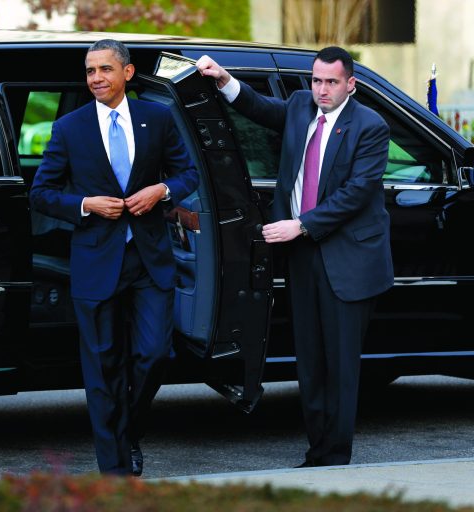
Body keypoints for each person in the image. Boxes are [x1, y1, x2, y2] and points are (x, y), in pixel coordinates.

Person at [196, 47, 393, 467]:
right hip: (304, 256)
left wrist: (299, 225)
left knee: (340, 364)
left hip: (348, 257)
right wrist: (222, 78)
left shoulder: (370, 126)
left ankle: (336, 454)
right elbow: (261, 108)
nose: (321, 89)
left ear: (350, 84)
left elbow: (356, 194)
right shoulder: (302, 105)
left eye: (331, 82)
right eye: (317, 81)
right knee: (310, 359)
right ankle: (317, 449)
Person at [30, 39, 198, 476]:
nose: (96, 78)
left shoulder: (157, 118)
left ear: (127, 72)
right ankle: (115, 471)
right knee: (102, 368)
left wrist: (161, 191)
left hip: (149, 259)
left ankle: (127, 432)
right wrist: (85, 204)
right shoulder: (69, 128)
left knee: (155, 353)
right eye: (90, 71)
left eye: (105, 69)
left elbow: (188, 173)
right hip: (96, 259)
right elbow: (42, 193)